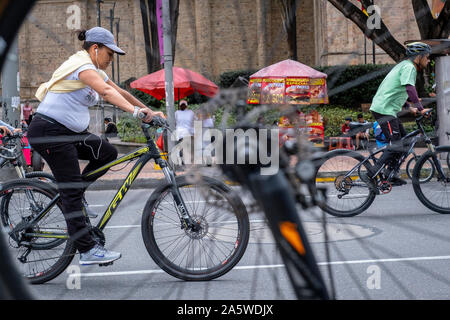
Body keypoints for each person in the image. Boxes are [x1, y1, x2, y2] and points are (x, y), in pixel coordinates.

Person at [27, 27, 164, 266]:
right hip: (50, 132)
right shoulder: (81, 67)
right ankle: (87, 250)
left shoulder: (94, 69)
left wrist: (149, 111)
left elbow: (120, 90)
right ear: (95, 49)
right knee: (70, 190)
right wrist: (136, 113)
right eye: (109, 54)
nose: (111, 60)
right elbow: (107, 92)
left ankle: (76, 196)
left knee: (107, 153)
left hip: (69, 132)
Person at [368, 41, 432, 186]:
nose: (428, 61)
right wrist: (421, 108)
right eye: (427, 57)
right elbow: (409, 88)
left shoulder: (403, 66)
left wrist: (409, 107)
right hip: (384, 110)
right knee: (396, 143)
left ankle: (389, 174)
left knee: (405, 142)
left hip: (387, 109)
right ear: (418, 57)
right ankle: (372, 172)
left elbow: (396, 90)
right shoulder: (410, 67)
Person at [175, 100, 195, 165]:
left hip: (184, 133)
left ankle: (184, 159)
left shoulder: (178, 112)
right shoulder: (178, 113)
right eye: (182, 105)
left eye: (183, 105)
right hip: (185, 133)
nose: (183, 106)